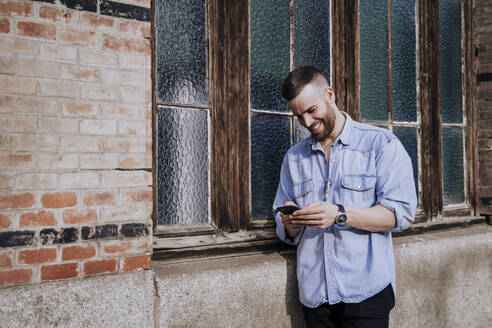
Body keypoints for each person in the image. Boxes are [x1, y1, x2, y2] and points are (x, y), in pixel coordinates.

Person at [273, 66, 417, 328]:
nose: (306, 122)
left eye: (311, 110)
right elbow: (283, 225)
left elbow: (400, 214)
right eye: (298, 116)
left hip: (366, 294)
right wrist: (290, 227)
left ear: (330, 94)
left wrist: (339, 214)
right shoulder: (293, 158)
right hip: (315, 297)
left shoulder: (380, 144)